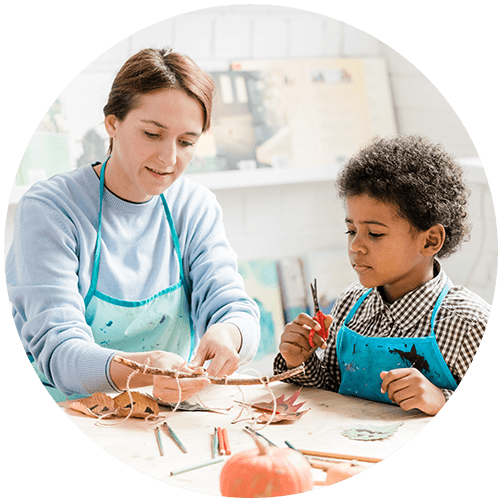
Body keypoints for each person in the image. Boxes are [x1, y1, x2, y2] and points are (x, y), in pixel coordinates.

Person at [6, 47, 260, 403]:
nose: (169, 158)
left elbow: (236, 309)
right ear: (112, 123)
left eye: (186, 142)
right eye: (152, 135)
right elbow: (61, 352)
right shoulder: (51, 210)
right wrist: (146, 369)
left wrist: (229, 334)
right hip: (74, 410)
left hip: (164, 411)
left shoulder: (194, 207)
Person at [274, 135, 490, 415]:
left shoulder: (468, 325)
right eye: (351, 231)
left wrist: (441, 400)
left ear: (430, 240)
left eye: (375, 234)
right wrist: (299, 360)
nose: (355, 246)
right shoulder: (351, 304)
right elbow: (329, 389)